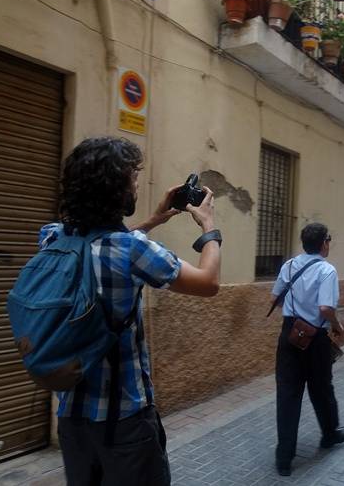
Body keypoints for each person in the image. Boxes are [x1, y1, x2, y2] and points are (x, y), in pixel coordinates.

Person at [48, 137, 221, 486]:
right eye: (133, 179)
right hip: (124, 421)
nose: (137, 185)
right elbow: (207, 282)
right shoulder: (133, 250)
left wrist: (155, 219)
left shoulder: (53, 238)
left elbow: (100, 243)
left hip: (72, 418)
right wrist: (209, 227)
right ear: (117, 189)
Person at [271, 223, 344, 477]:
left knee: (288, 395)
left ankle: (284, 458)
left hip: (290, 334)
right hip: (315, 338)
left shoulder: (289, 265)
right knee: (321, 388)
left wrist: (296, 308)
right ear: (324, 243)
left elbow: (275, 297)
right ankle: (329, 434)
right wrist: (337, 325)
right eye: (329, 239)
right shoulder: (327, 270)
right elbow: (326, 308)